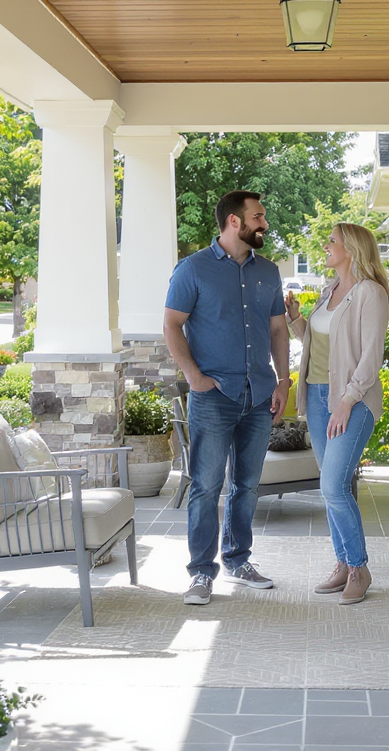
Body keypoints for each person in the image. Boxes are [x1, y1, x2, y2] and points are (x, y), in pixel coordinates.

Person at [163, 190, 291, 606]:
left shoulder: (269, 272)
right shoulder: (192, 269)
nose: (264, 224)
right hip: (214, 396)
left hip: (258, 395)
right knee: (205, 485)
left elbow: (277, 330)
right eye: (258, 217)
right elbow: (171, 326)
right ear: (234, 222)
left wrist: (283, 380)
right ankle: (201, 572)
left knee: (247, 485)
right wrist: (194, 376)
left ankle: (238, 560)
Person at [284, 223, 389, 605]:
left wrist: (346, 400)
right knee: (330, 489)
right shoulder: (330, 291)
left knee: (333, 486)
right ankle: (343, 564)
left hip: (352, 400)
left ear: (352, 248)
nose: (326, 246)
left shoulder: (370, 294)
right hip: (315, 396)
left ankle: (359, 568)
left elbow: (370, 357)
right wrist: (297, 319)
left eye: (331, 241)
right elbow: (319, 343)